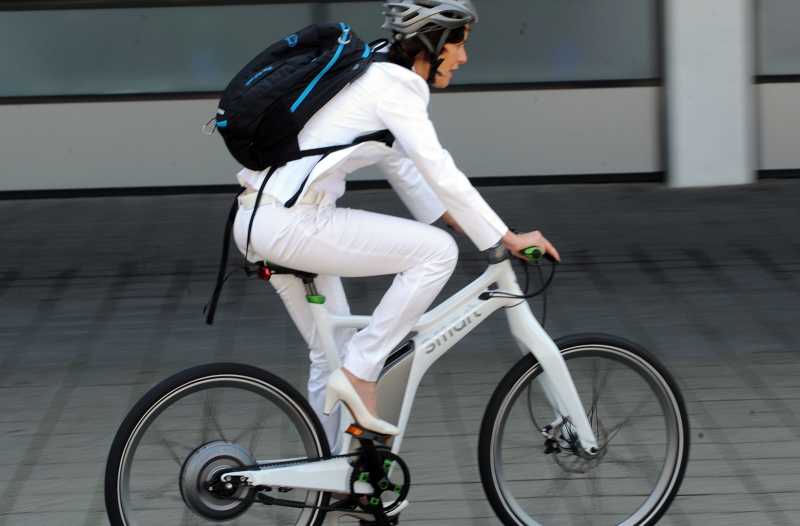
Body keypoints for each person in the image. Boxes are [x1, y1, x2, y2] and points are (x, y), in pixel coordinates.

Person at [232, 0, 560, 449]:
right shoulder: (396, 85)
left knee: (328, 356)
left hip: (257, 218)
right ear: (432, 43)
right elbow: (438, 167)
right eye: (459, 45)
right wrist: (504, 237)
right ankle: (363, 371)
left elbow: (403, 167)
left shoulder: (375, 70)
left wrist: (463, 219)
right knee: (436, 253)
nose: (464, 58)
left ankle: (328, 479)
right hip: (294, 223)